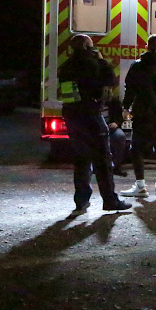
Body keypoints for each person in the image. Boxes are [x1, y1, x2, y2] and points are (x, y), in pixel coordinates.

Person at [58, 34, 131, 213]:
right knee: (103, 160)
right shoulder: (93, 64)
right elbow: (111, 81)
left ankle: (81, 201)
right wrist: (102, 61)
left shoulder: (65, 67)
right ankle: (110, 201)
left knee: (81, 159)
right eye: (91, 45)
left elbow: (69, 94)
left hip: (72, 117)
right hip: (91, 115)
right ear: (85, 46)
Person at [119, 35, 156, 198]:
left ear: (147, 47)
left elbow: (130, 88)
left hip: (143, 112)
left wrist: (126, 107)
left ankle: (140, 186)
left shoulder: (137, 66)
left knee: (136, 148)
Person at [103, 84, 128, 177]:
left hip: (111, 129)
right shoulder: (93, 103)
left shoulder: (114, 102)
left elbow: (120, 117)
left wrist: (116, 123)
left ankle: (116, 166)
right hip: (97, 130)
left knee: (120, 136)